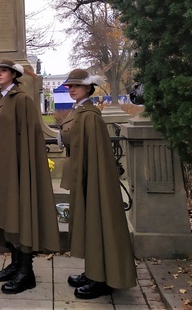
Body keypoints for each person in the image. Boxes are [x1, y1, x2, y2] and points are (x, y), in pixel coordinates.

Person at [59, 69, 137, 299]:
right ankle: (92, 271)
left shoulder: (90, 116)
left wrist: (89, 179)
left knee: (96, 221)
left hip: (92, 177)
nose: (71, 89)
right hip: (83, 174)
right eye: (69, 86)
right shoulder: (80, 111)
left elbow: (93, 153)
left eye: (76, 86)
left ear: (88, 88)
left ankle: (101, 278)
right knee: (88, 222)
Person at [0, 58, 60, 294]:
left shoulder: (21, 100)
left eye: (3, 71)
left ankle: (26, 271)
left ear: (13, 75)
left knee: (19, 213)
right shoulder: (1, 98)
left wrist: (20, 167)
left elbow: (28, 137)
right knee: (8, 213)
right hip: (0, 164)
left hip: (15, 167)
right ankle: (16, 262)